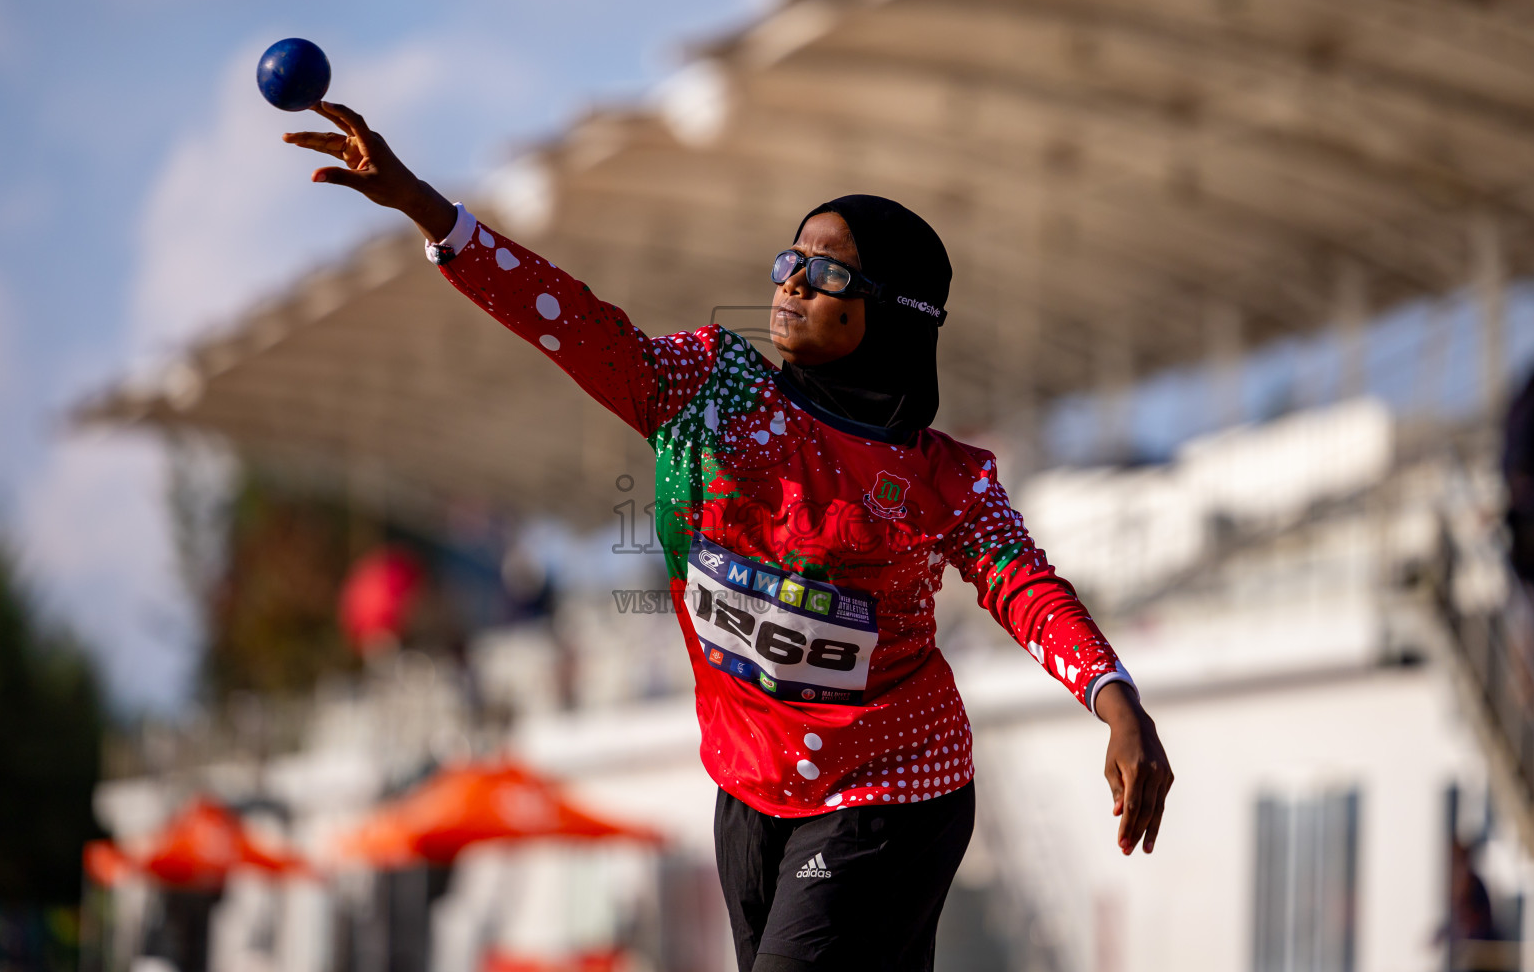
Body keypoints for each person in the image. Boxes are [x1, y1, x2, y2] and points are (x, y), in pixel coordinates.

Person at [285, 102, 1174, 972]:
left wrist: (1114, 695)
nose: (792, 279)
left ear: (895, 313)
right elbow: (576, 324)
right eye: (792, 258)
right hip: (748, 788)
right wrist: (427, 210)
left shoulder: (944, 477)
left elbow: (1026, 587)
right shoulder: (710, 384)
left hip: (893, 790)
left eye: (829, 273)